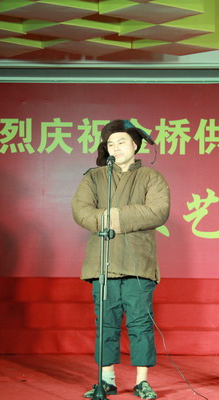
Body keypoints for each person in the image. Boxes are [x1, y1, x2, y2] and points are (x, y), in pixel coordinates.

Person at [71, 119, 170, 399]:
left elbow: (157, 211)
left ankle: (142, 381)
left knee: (140, 323)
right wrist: (116, 218)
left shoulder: (151, 177)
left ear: (135, 145)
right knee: (106, 323)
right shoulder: (94, 177)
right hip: (103, 261)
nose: (115, 148)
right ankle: (106, 379)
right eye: (111, 144)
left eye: (121, 142)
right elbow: (81, 210)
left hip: (138, 261)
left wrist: (112, 216)